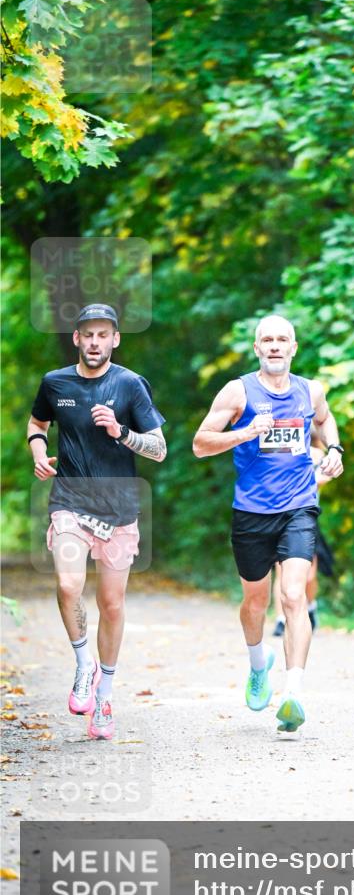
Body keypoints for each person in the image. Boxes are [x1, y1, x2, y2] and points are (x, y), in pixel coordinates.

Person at [192, 313, 344, 732]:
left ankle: (293, 693)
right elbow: (200, 444)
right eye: (267, 340)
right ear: (257, 348)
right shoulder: (237, 392)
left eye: (283, 339)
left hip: (299, 505)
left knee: (294, 596)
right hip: (252, 512)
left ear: (294, 348)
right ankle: (259, 665)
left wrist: (334, 449)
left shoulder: (310, 390)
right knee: (255, 602)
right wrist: (244, 432)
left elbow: (324, 420)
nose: (275, 346)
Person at [28, 303, 166, 740]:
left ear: (115, 339)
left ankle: (104, 694)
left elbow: (159, 448)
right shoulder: (55, 382)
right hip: (70, 500)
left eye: (103, 335)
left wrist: (121, 433)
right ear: (76, 338)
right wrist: (37, 453)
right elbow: (37, 422)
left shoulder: (129, 385)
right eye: (87, 334)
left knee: (111, 604)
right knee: (68, 585)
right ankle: (83, 662)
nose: (94, 342)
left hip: (119, 509)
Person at [272, 441, 336, 637]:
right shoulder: (282, 450)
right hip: (279, 517)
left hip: (306, 519)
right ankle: (281, 619)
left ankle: (310, 606)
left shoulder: (321, 456)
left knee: (309, 576)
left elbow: (323, 479)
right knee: (281, 571)